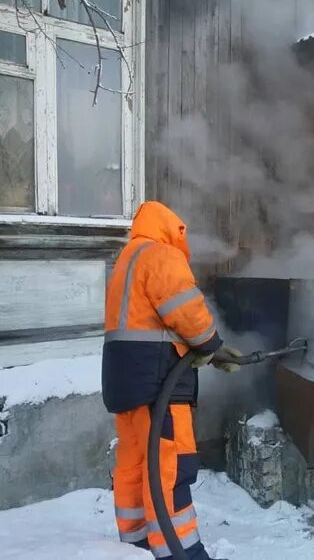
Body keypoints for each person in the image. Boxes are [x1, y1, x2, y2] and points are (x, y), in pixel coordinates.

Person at [102, 201, 240, 560]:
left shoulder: (127, 259)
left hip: (126, 385)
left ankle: (136, 547)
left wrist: (211, 351)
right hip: (159, 385)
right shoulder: (160, 254)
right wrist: (212, 344)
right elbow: (186, 311)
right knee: (170, 468)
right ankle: (183, 552)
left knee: (134, 465)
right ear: (172, 229)